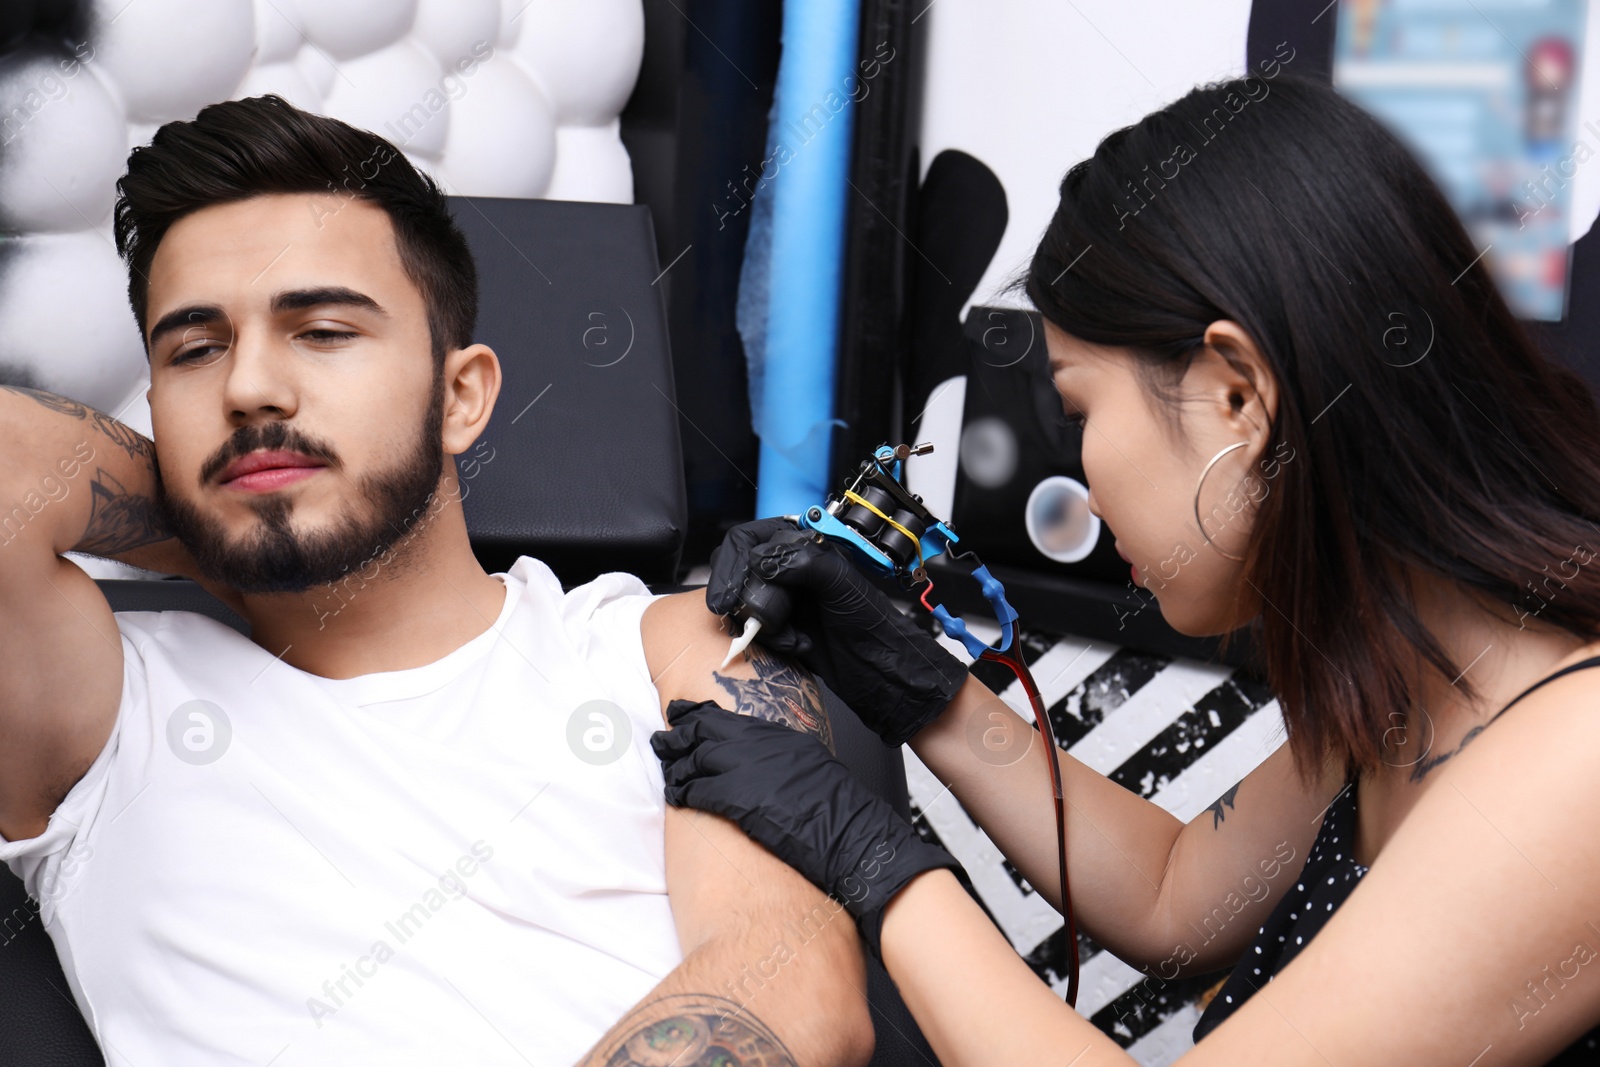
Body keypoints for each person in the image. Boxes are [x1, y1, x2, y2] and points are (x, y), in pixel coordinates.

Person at [654, 72, 1600, 1066]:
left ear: (1237, 396)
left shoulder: (1573, 760)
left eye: (1078, 411)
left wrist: (866, 854)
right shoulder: (1410, 689)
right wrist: (911, 687)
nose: (1085, 487)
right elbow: (1173, 892)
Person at [0, 95, 874, 1067]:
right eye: (196, 348)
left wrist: (272, 500)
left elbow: (790, 983)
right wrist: (235, 521)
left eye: (322, 330)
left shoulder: (664, 650)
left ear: (460, 396)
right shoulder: (102, 710)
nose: (247, 387)